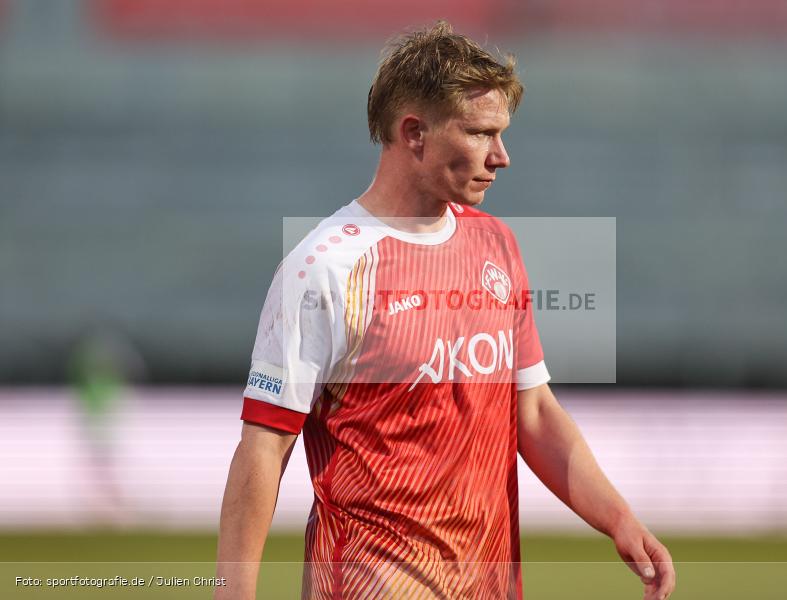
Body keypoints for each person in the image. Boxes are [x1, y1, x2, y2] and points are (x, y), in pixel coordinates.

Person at [216, 21, 675, 600]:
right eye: (482, 133)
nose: (502, 157)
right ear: (414, 133)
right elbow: (264, 446)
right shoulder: (326, 268)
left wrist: (619, 519)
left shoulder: (497, 246)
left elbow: (531, 412)